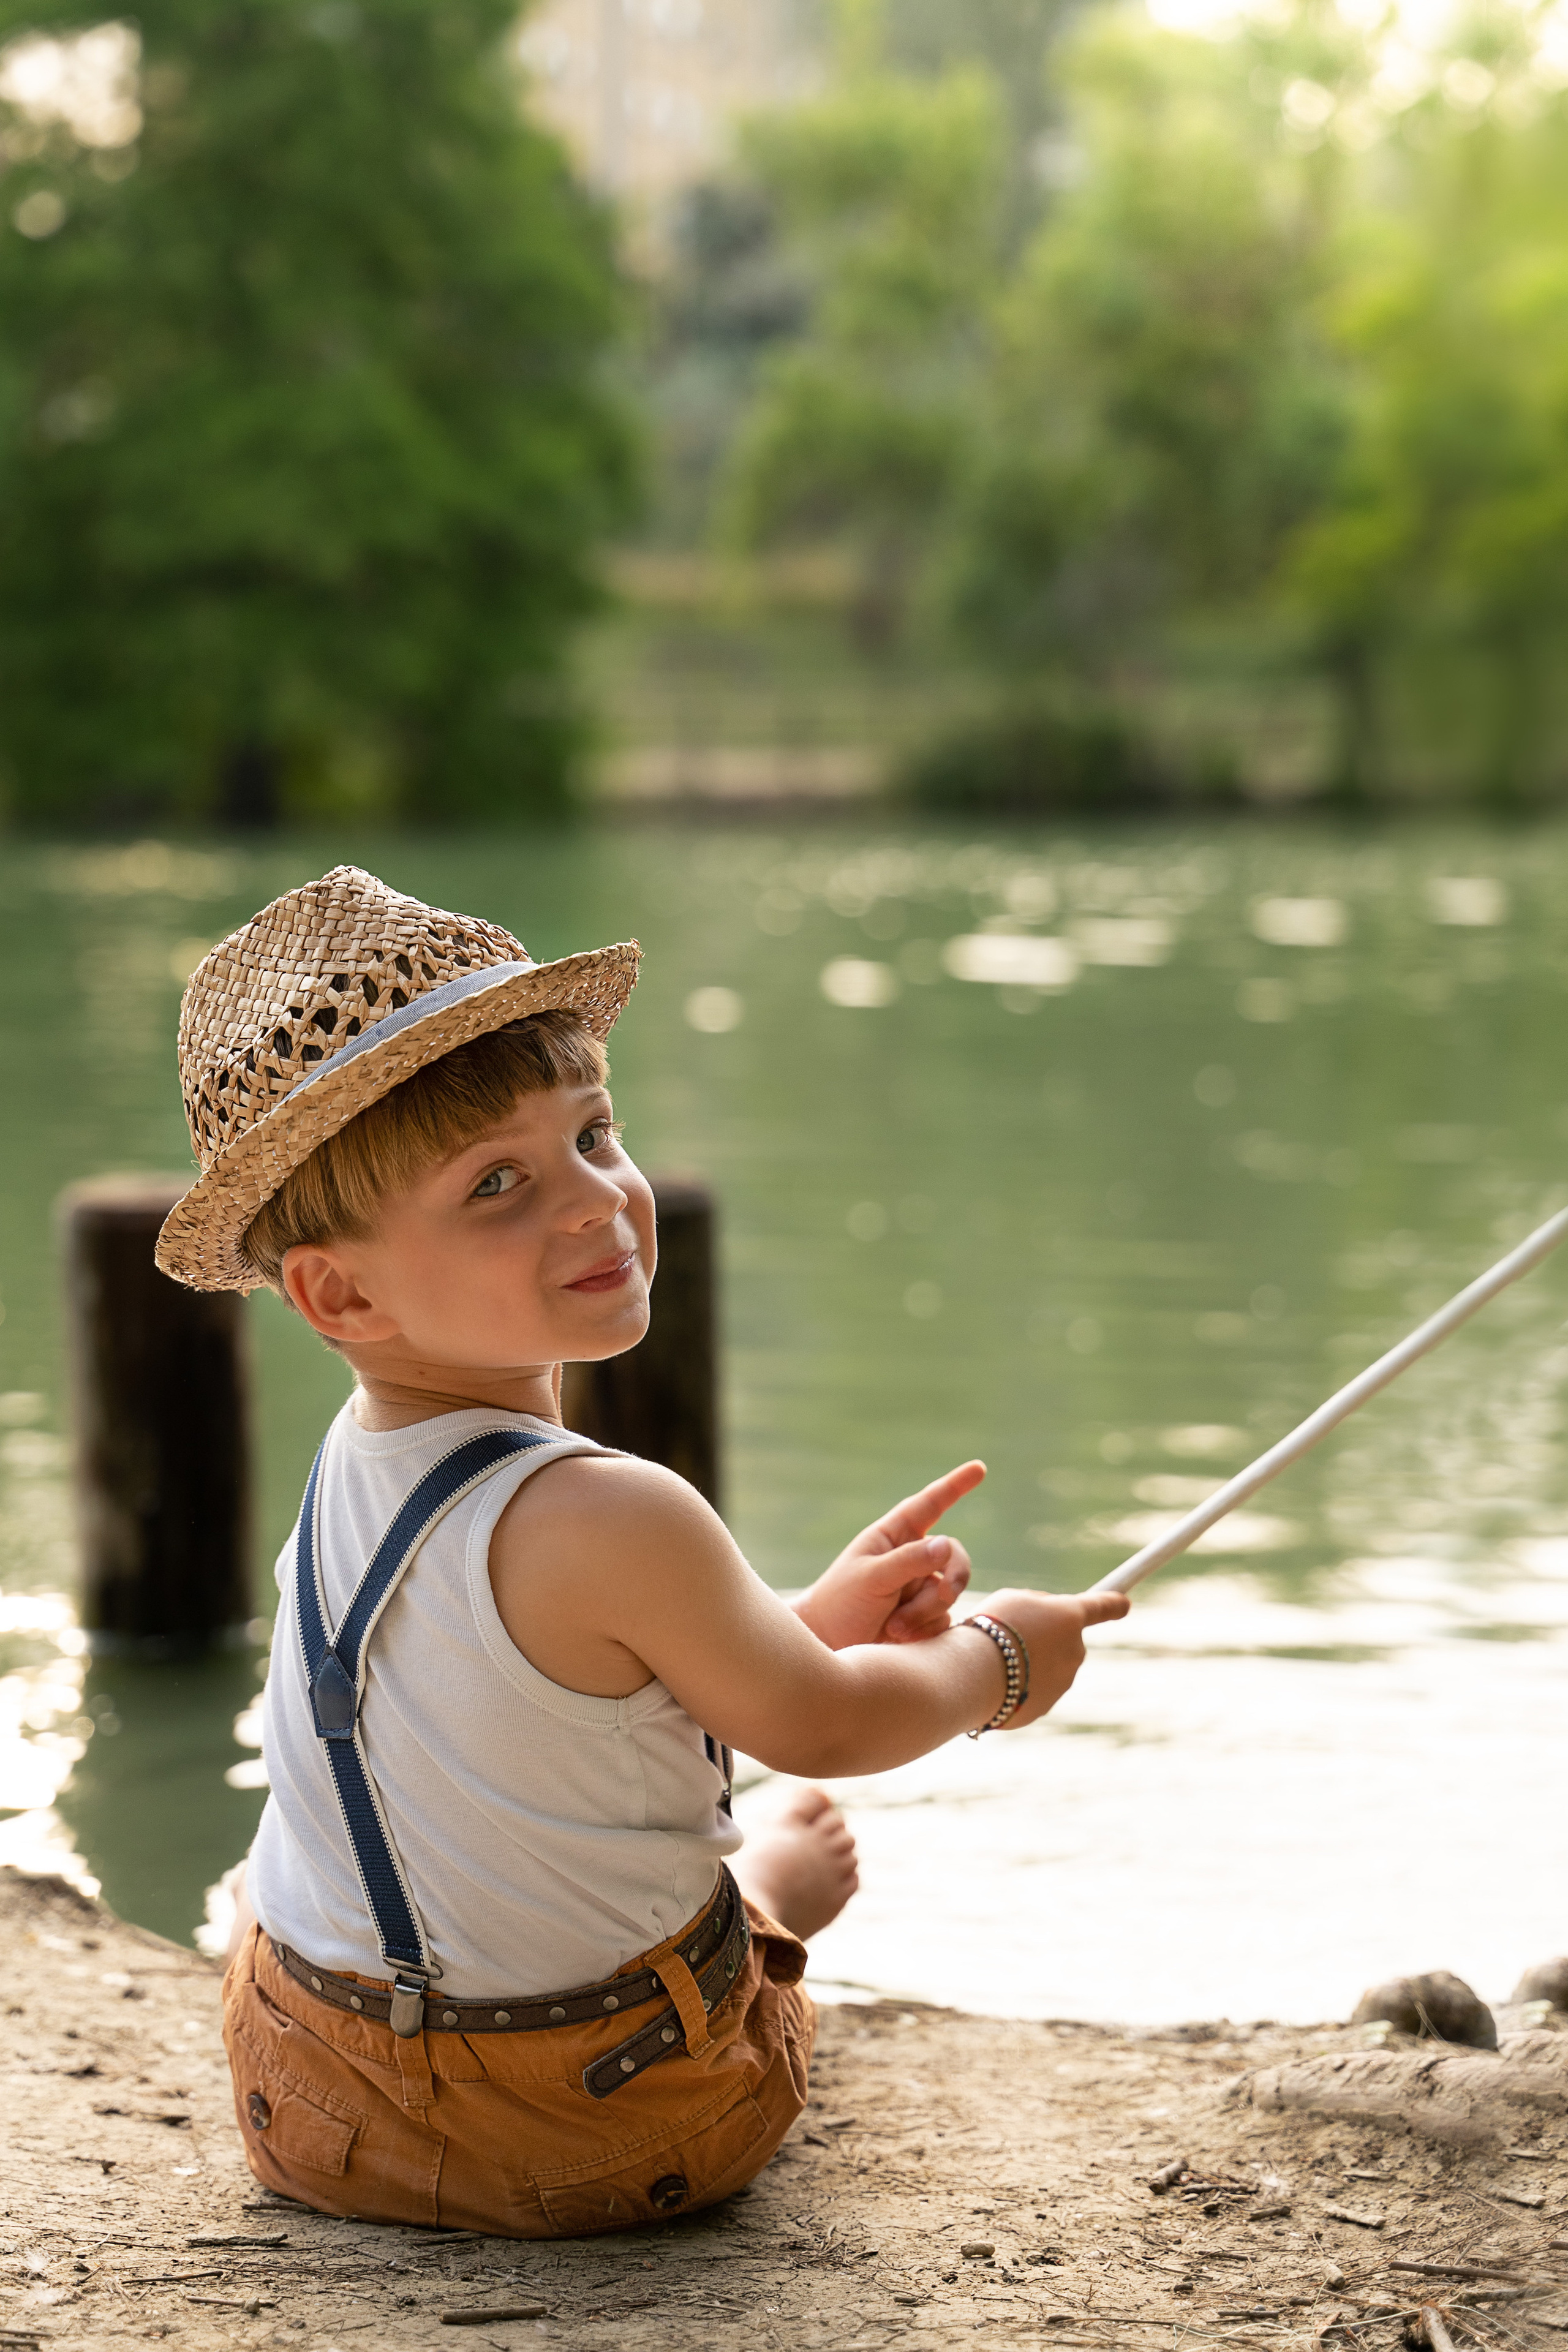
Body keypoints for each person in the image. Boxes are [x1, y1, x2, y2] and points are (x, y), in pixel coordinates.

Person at [157, 864, 1129, 2238]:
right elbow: (824, 1722)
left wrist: (805, 1614)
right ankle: (772, 1906)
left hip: (306, 2096)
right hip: (591, 2125)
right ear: (340, 1289)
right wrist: (1001, 1665)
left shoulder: (349, 1465)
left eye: (594, 1136)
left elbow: (531, 1699)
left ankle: (745, 1898)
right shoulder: (619, 1514)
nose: (593, 1202)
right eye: (497, 1183)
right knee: (771, 1860)